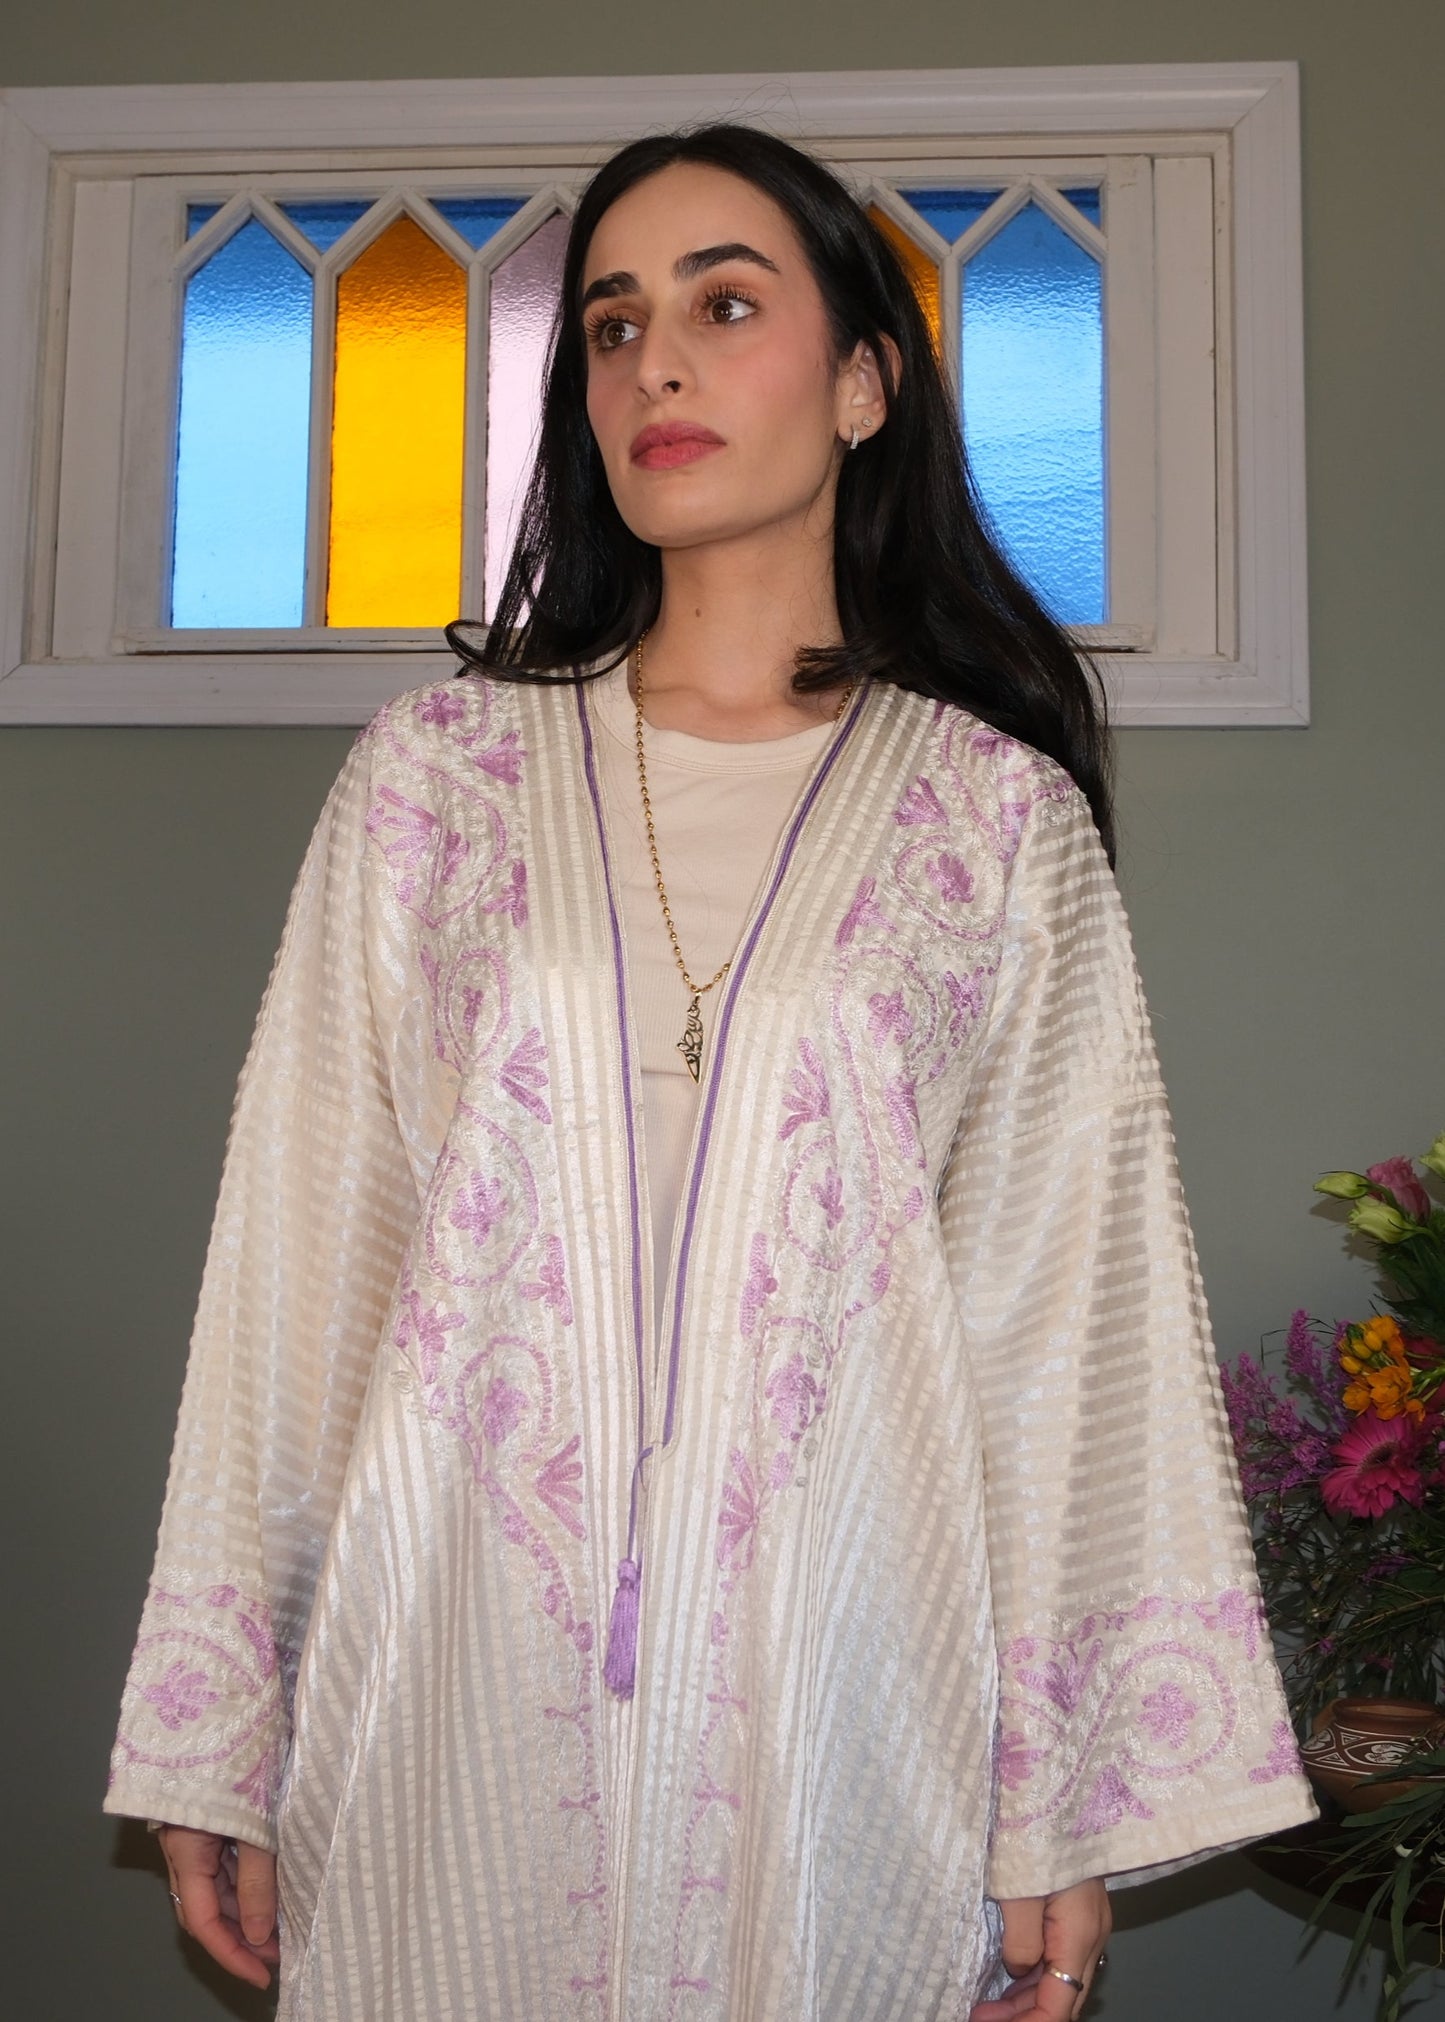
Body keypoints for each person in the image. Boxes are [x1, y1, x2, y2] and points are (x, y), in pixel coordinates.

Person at [104, 123, 1316, 2021]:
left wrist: (1057, 1815)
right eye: (610, 324)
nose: (652, 363)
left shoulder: (993, 823)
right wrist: (220, 1728)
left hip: (846, 1713)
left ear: (862, 385)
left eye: (723, 306)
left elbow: (1063, 1327)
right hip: (439, 1692)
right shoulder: (435, 783)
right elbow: (299, 1261)